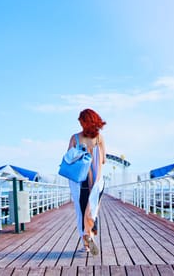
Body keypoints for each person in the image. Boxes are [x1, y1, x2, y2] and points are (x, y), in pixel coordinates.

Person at [67, 108, 106, 255]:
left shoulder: (75, 138)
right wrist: (93, 153)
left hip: (79, 181)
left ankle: (86, 242)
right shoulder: (99, 138)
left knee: (81, 211)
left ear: (85, 122)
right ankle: (90, 235)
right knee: (92, 210)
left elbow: (68, 158)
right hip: (95, 180)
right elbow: (104, 160)